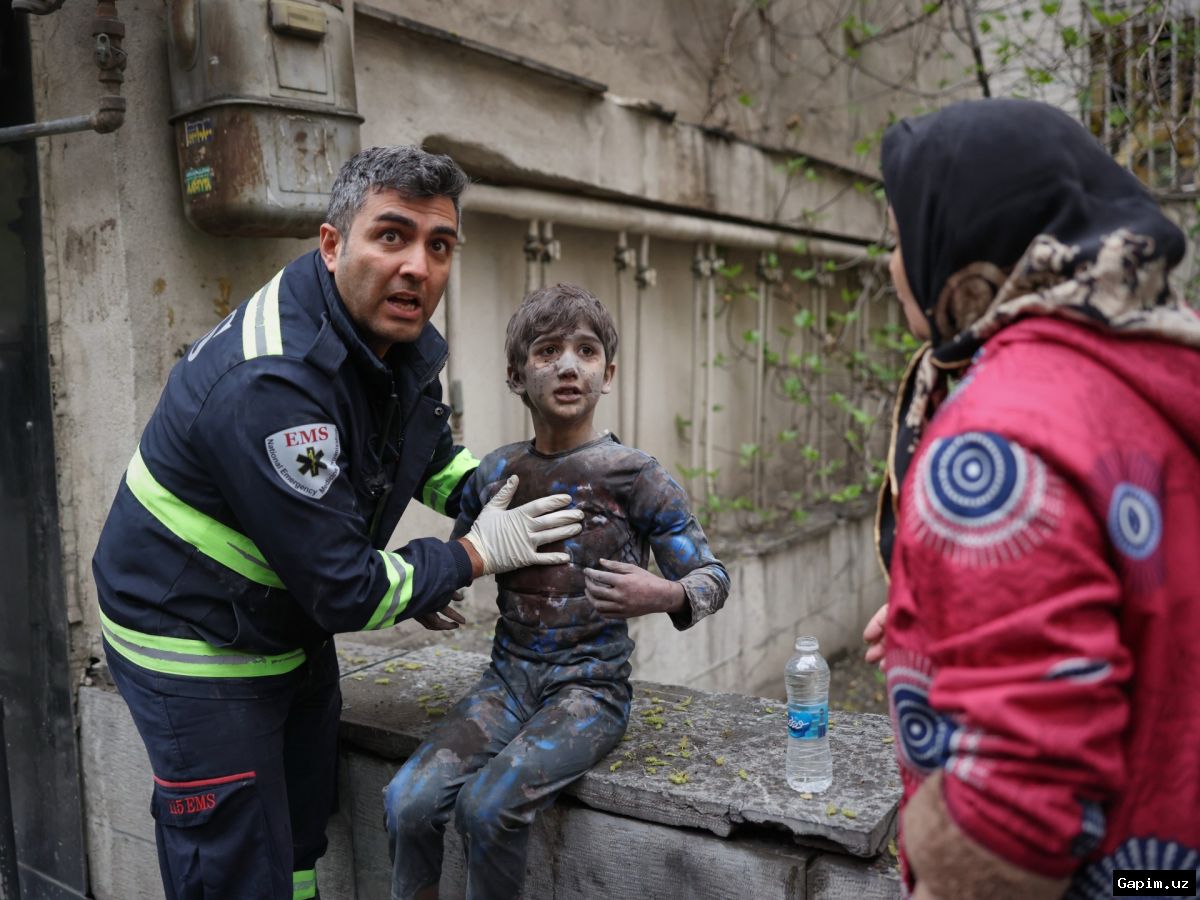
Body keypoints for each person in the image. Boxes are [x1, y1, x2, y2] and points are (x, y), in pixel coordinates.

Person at [91, 146, 585, 900]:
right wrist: (469, 556)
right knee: (235, 869)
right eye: (391, 236)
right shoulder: (273, 383)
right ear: (332, 244)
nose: (417, 266)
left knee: (297, 836)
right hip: (191, 637)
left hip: (280, 615)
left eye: (439, 245)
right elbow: (345, 589)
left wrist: (499, 491)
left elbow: (420, 452)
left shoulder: (381, 333)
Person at [864, 98, 1200, 899]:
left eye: (899, 237)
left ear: (963, 242)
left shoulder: (998, 443)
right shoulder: (1157, 365)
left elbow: (1016, 810)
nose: (891, 264)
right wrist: (951, 611)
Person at [383, 282, 730, 900]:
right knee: (406, 801)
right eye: (548, 352)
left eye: (586, 352)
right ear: (516, 375)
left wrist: (664, 594)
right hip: (506, 682)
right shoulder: (498, 472)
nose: (569, 366)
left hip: (590, 691)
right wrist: (435, 590)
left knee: (486, 808)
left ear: (608, 373)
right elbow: (465, 552)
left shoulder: (634, 474)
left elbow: (712, 578)